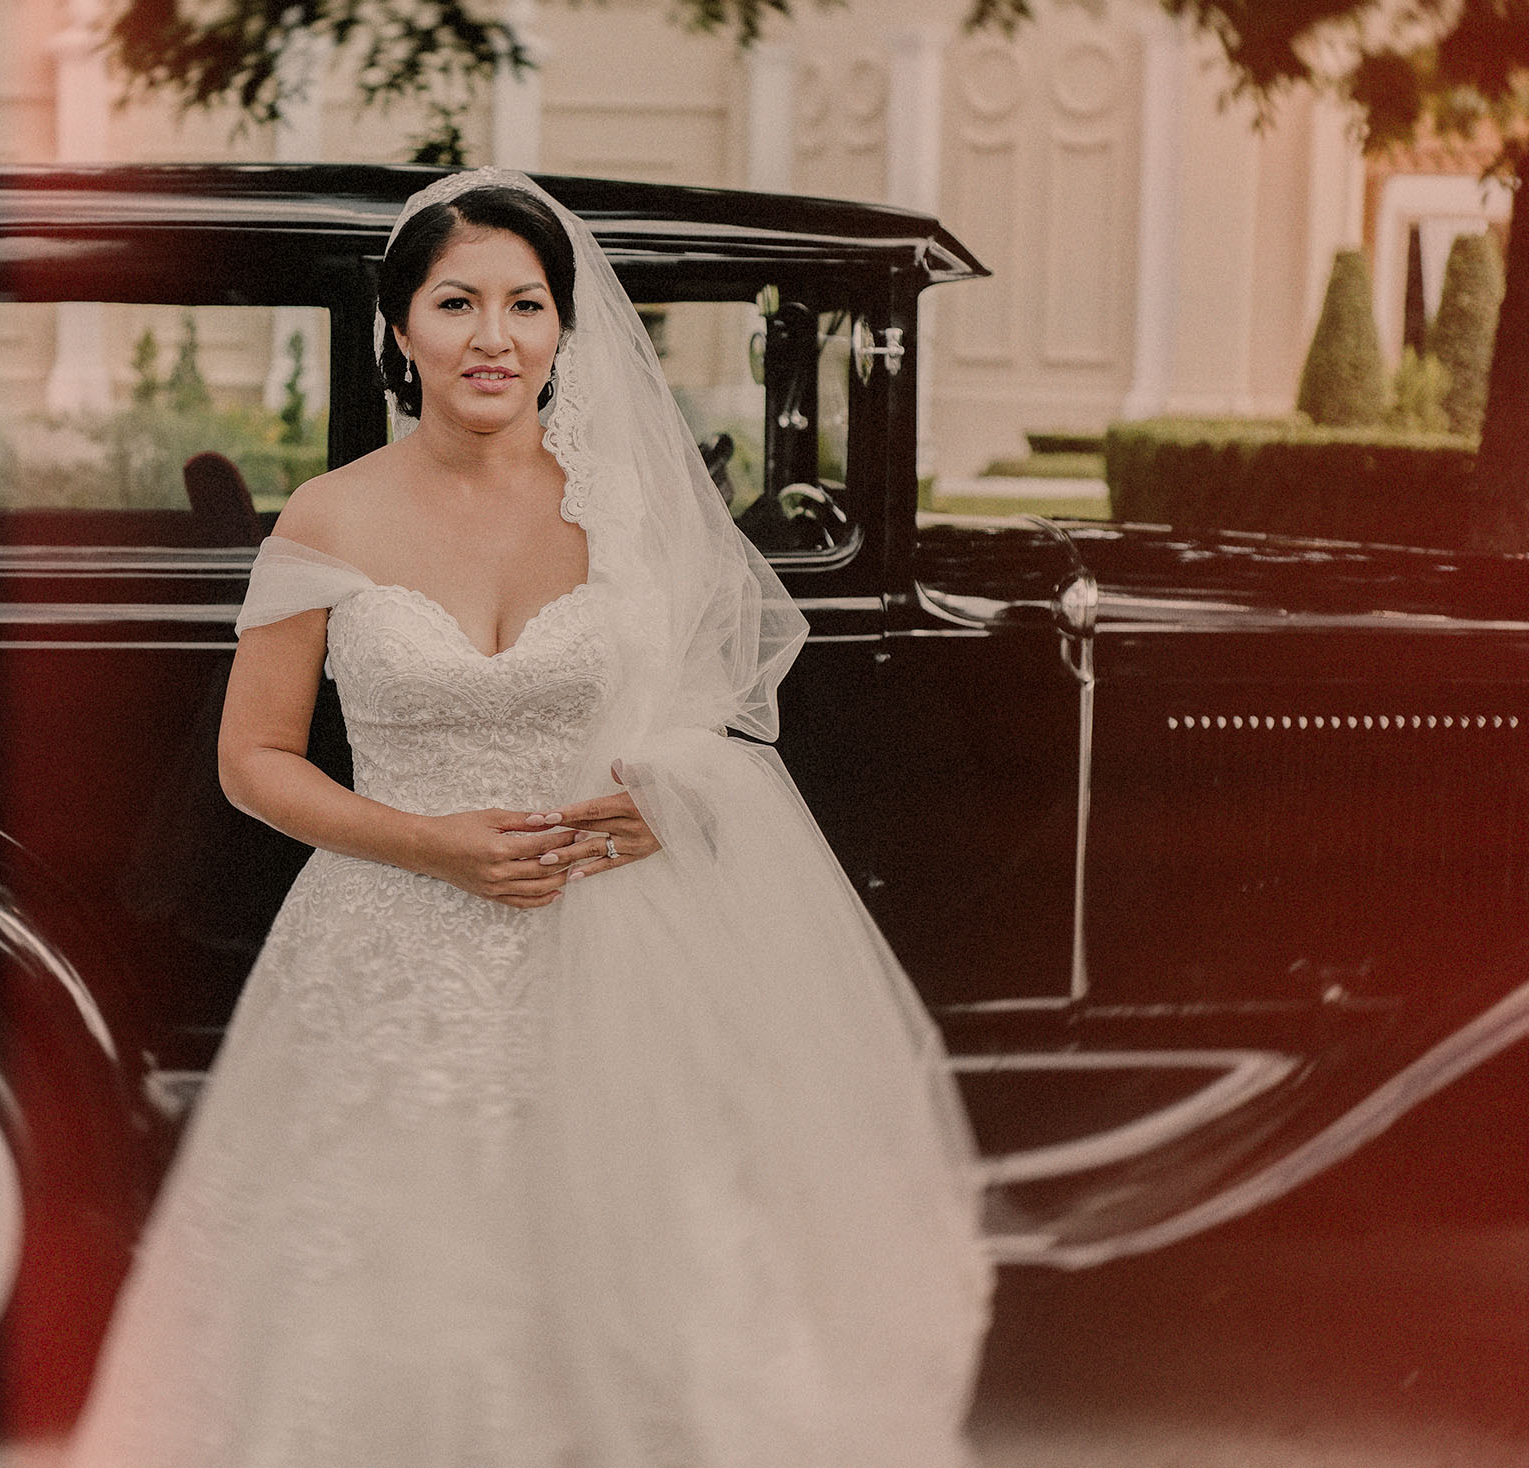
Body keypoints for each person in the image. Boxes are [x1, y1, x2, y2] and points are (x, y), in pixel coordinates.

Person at [60, 168, 993, 1467]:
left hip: (611, 962)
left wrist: (666, 801)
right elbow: (252, 759)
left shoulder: (630, 520)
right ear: (401, 328)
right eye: (456, 302)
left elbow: (708, 725)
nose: (492, 335)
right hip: (384, 949)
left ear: (564, 329)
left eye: (525, 303)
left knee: (639, 1303)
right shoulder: (329, 515)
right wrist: (425, 839)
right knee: (380, 1304)